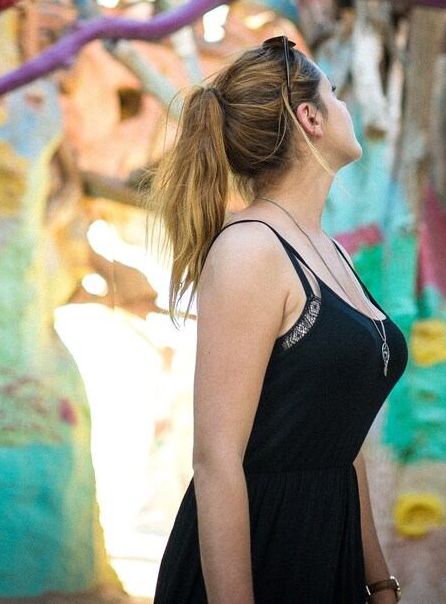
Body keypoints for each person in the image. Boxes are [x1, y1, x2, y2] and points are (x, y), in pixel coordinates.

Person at [150, 34, 408, 604]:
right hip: (260, 553)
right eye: (335, 94)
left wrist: (379, 581)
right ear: (310, 117)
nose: (346, 106)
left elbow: (341, 439)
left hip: (330, 551)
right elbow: (216, 460)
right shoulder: (250, 250)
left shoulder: (329, 251)